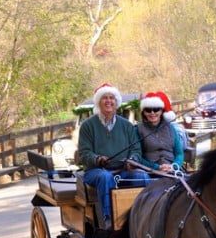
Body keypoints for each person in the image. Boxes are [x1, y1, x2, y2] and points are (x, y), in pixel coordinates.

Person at [78, 83, 150, 229]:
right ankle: (109, 220)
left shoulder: (127, 126)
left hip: (123, 170)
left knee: (142, 177)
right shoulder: (87, 126)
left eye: (112, 98)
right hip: (96, 171)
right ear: (98, 102)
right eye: (104, 98)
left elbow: (136, 150)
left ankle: (143, 217)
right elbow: (84, 154)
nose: (108, 101)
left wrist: (133, 161)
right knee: (105, 178)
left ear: (116, 103)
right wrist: (98, 159)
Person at [136, 91, 185, 173]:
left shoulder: (171, 128)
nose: (152, 113)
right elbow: (138, 156)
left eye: (156, 109)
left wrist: (174, 166)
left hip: (173, 170)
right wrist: (157, 167)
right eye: (148, 110)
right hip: (150, 171)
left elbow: (179, 153)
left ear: (161, 111)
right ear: (144, 112)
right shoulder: (138, 129)